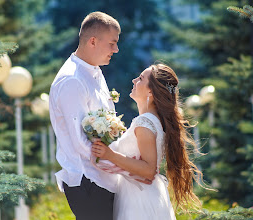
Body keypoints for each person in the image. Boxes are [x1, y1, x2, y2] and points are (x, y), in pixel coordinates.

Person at [92, 63, 203, 220]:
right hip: (141, 194)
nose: (134, 80)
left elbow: (149, 170)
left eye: (140, 78)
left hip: (139, 200)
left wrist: (109, 155)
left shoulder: (145, 122)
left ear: (150, 90)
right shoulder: (152, 120)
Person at [49, 11, 121, 220]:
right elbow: (80, 142)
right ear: (92, 41)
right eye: (112, 43)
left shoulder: (94, 71)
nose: (116, 49)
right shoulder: (72, 80)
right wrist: (123, 166)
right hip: (87, 182)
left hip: (104, 178)